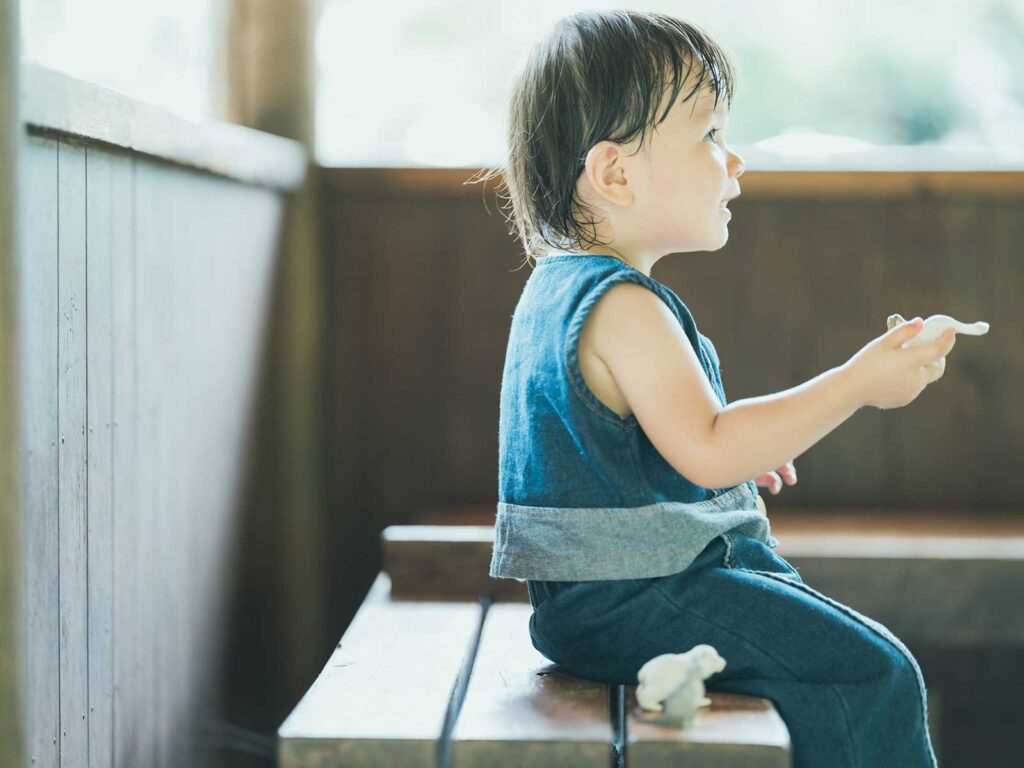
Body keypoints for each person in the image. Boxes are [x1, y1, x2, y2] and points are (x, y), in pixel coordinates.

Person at [481, 9, 955, 768]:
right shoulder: (622, 304)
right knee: (877, 671)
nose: (734, 163)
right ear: (616, 173)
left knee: (821, 644)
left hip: (598, 602)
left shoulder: (558, 290)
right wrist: (857, 382)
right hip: (642, 597)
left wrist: (728, 466)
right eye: (709, 136)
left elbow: (662, 448)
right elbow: (708, 447)